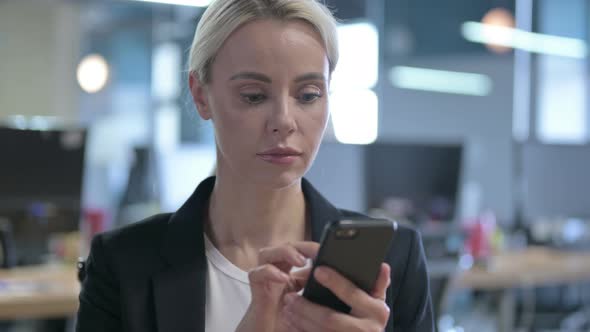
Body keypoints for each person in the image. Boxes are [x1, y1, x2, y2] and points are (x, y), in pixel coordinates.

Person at [76, 0, 434, 331]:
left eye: (308, 95)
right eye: (254, 96)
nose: (284, 120)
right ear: (201, 95)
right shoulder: (123, 264)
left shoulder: (393, 259)